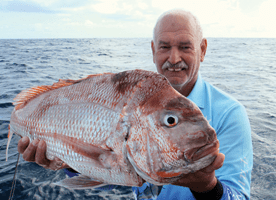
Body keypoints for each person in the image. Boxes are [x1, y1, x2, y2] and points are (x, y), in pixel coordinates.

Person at [17, 9, 253, 200]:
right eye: (164, 47)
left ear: (202, 50)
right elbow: (112, 175)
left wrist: (207, 187)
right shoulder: (135, 105)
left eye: (185, 47)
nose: (173, 58)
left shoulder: (230, 114)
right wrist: (67, 162)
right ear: (153, 51)